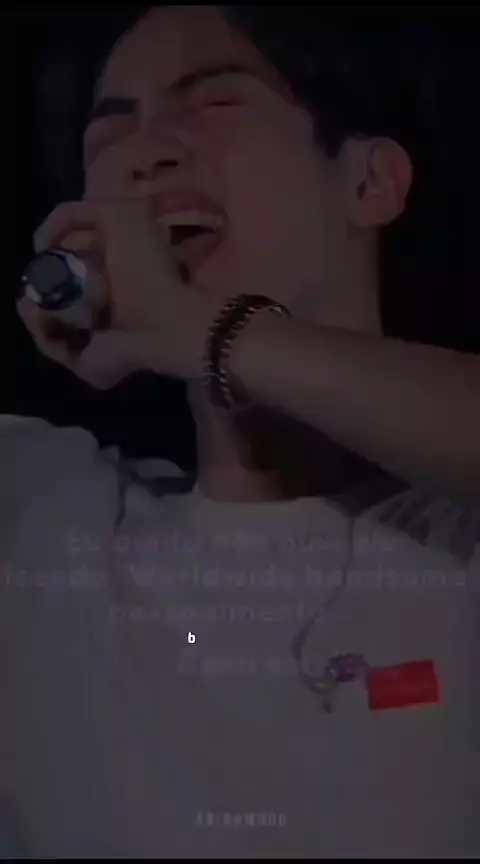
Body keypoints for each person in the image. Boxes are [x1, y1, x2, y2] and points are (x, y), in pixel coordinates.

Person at [3, 4, 480, 857]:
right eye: (111, 131)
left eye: (216, 102)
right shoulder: (43, 514)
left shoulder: (455, 534)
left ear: (369, 184)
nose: (148, 151)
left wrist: (210, 333)